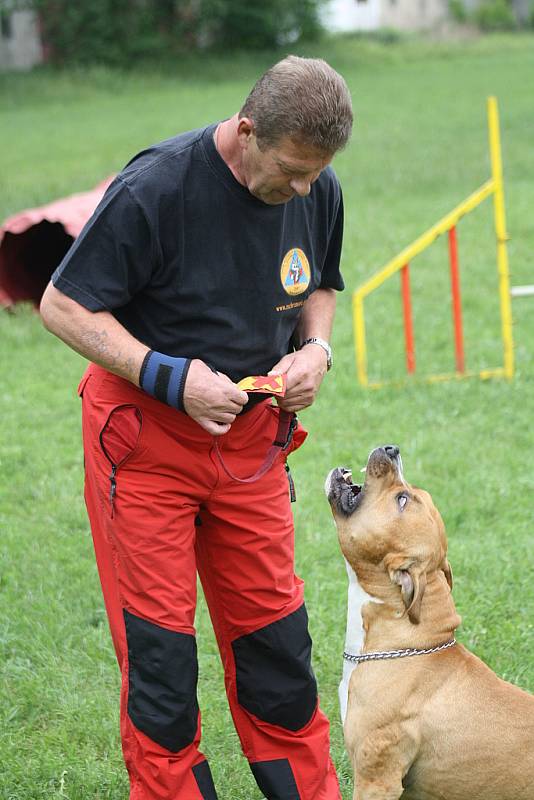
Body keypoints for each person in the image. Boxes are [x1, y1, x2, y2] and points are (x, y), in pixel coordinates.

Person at [40, 55, 353, 800]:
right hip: (145, 445)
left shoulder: (317, 184)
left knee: (277, 646)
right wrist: (168, 376)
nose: (305, 189)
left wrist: (317, 348)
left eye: (317, 173)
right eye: (292, 169)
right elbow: (63, 304)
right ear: (247, 131)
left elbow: (324, 281)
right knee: (162, 663)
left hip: (250, 444)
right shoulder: (156, 187)